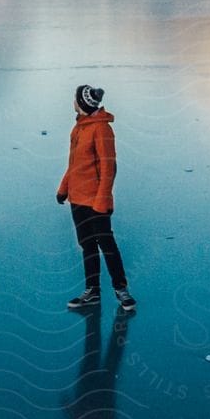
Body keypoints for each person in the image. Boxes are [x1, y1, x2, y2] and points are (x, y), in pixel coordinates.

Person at [55, 84, 136, 313]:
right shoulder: (78, 128)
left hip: (95, 200)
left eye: (75, 98)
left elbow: (108, 168)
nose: (73, 102)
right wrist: (64, 188)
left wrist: (102, 200)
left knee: (106, 243)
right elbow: (74, 164)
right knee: (87, 245)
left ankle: (121, 289)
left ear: (83, 103)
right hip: (77, 199)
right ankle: (92, 291)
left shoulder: (101, 130)